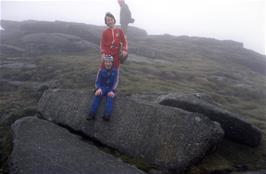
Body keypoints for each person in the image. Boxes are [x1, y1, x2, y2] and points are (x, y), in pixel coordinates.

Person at [87, 55, 118, 121]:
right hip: (102, 88)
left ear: (112, 63)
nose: (108, 63)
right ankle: (91, 114)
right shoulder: (101, 71)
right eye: (106, 62)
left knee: (110, 98)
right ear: (104, 63)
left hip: (110, 88)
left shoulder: (115, 71)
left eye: (109, 62)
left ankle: (107, 115)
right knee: (97, 96)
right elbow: (97, 81)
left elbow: (115, 82)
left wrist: (112, 90)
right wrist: (98, 88)